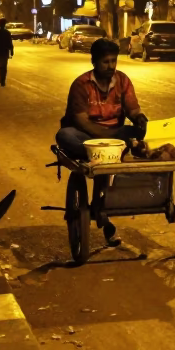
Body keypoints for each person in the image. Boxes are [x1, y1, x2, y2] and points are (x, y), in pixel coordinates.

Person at [56, 38, 148, 246]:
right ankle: (100, 208)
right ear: (95, 62)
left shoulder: (123, 80)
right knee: (64, 135)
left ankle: (101, 206)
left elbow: (133, 108)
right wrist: (104, 141)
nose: (110, 66)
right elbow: (80, 119)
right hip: (87, 137)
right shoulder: (81, 84)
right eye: (105, 62)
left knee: (141, 132)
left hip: (115, 135)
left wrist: (140, 119)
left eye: (113, 61)